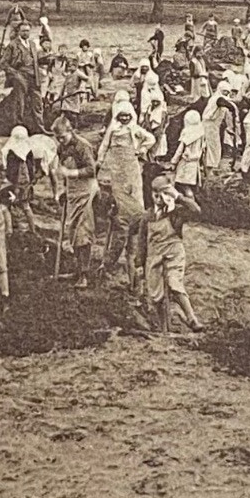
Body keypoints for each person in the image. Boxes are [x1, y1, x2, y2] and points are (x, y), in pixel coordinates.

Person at [139, 174, 204, 333]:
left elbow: (196, 210)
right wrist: (139, 264)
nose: (159, 198)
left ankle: (191, 318)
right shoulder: (147, 217)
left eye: (163, 194)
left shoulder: (175, 213)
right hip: (154, 256)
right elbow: (142, 243)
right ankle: (163, 329)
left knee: (174, 283)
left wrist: (178, 196)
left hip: (174, 253)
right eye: (155, 194)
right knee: (157, 296)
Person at [97, 98, 154, 279]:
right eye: (121, 116)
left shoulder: (135, 130)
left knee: (134, 196)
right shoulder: (112, 130)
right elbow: (104, 146)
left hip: (131, 167)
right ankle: (120, 219)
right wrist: (99, 161)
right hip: (116, 168)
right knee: (118, 198)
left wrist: (141, 150)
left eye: (127, 116)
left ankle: (134, 223)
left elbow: (150, 138)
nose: (124, 119)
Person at [54, 117, 100, 287]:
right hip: (73, 192)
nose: (60, 141)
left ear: (70, 131)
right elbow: (62, 171)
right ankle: (77, 269)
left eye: (63, 137)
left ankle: (84, 275)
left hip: (86, 192)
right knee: (72, 232)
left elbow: (92, 170)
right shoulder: (61, 148)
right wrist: (63, 190)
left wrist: (72, 173)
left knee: (83, 233)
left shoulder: (82, 146)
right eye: (57, 138)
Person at [170, 110, 206, 200]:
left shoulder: (187, 132)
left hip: (186, 163)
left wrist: (174, 161)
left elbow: (180, 149)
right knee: (193, 185)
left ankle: (190, 201)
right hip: (195, 162)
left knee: (184, 185)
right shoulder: (201, 132)